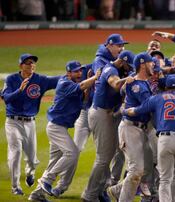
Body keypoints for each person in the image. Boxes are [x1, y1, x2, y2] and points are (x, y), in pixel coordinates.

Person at [122, 74, 175, 202]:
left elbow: (137, 110)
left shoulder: (158, 98)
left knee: (164, 178)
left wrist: (123, 111)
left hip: (165, 140)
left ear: (166, 87)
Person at [28, 60, 100, 202]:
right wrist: (96, 77)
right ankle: (47, 180)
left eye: (80, 70)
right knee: (72, 153)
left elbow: (83, 98)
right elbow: (82, 85)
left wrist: (89, 84)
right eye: (76, 71)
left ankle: (36, 195)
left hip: (60, 127)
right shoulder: (64, 83)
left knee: (54, 161)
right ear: (68, 73)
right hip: (56, 128)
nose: (79, 73)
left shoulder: (72, 84)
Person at [2, 53, 59, 195]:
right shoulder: (11, 79)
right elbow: (7, 98)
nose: (31, 65)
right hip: (13, 122)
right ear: (21, 66)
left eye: (33, 63)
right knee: (15, 153)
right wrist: (19, 90)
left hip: (30, 124)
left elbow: (59, 80)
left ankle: (30, 172)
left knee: (32, 159)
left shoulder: (39, 80)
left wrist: (78, 75)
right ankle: (15, 187)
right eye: (28, 63)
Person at [81, 51, 134, 202]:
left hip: (109, 113)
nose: (129, 69)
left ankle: (100, 191)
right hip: (101, 114)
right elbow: (116, 84)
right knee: (103, 158)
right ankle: (89, 194)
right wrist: (130, 79)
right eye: (128, 66)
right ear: (122, 61)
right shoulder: (109, 69)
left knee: (113, 154)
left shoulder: (119, 69)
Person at [109, 52, 154, 202]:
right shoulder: (136, 85)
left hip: (142, 129)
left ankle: (117, 190)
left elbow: (123, 91)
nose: (153, 64)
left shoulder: (141, 82)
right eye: (151, 62)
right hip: (131, 129)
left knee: (146, 167)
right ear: (143, 64)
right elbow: (149, 105)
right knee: (136, 170)